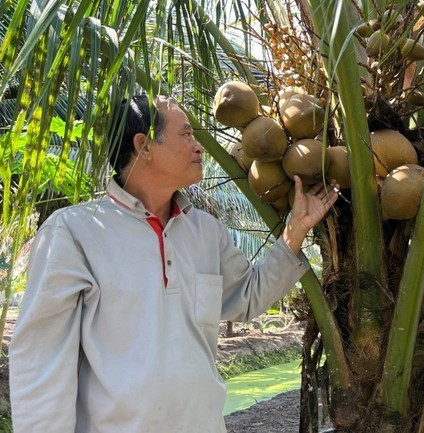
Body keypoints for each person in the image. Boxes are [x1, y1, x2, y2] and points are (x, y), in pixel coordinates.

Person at [9, 95, 339, 433]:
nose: (200, 148)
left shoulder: (205, 232)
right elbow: (40, 364)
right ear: (145, 145)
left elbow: (248, 295)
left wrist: (297, 229)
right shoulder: (73, 233)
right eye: (186, 135)